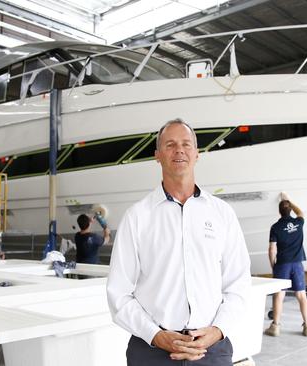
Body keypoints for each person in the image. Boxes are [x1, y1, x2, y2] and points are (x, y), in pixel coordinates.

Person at [107, 119, 251, 366]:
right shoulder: (137, 217)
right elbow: (118, 292)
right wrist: (156, 335)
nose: (179, 150)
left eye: (186, 144)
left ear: (197, 154)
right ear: (157, 156)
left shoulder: (222, 214)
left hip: (212, 350)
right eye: (170, 144)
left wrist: (217, 331)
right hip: (151, 352)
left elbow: (238, 283)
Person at [264, 193, 307, 337]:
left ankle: (275, 327)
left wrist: (273, 265)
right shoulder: (299, 222)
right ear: (290, 210)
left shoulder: (275, 227)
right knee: (301, 295)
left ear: (279, 211)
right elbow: (301, 212)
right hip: (297, 264)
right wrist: (289, 200)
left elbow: (272, 249)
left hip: (283, 264)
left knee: (279, 295)